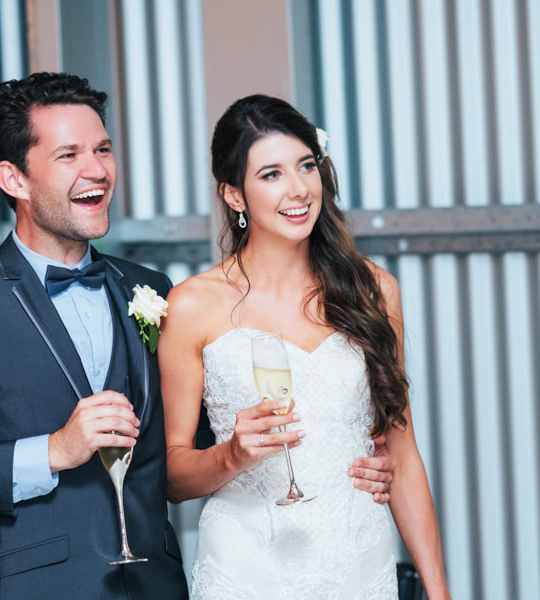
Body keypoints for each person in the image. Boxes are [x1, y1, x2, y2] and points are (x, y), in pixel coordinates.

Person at [0, 72, 188, 599]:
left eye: (103, 149)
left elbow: (185, 446)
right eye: (68, 155)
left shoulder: (151, 289)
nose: (97, 170)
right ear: (14, 179)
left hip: (154, 586)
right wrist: (52, 450)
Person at [159, 94, 451, 599]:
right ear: (234, 195)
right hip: (246, 571)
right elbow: (172, 476)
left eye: (306, 165)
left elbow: (402, 456)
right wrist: (231, 455)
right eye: (271, 174)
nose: (298, 189)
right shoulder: (191, 305)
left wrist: (440, 592)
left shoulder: (374, 291)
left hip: (359, 565)